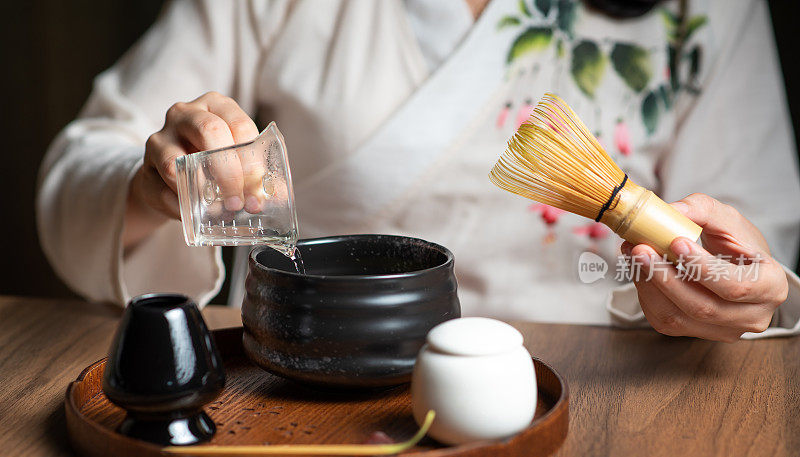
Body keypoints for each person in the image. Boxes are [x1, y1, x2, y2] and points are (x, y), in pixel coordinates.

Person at [37, 0, 800, 341]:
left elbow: (760, 256)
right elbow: (86, 159)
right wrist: (154, 186)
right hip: (310, 376)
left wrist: (721, 301)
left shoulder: (702, 14)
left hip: (599, 400)